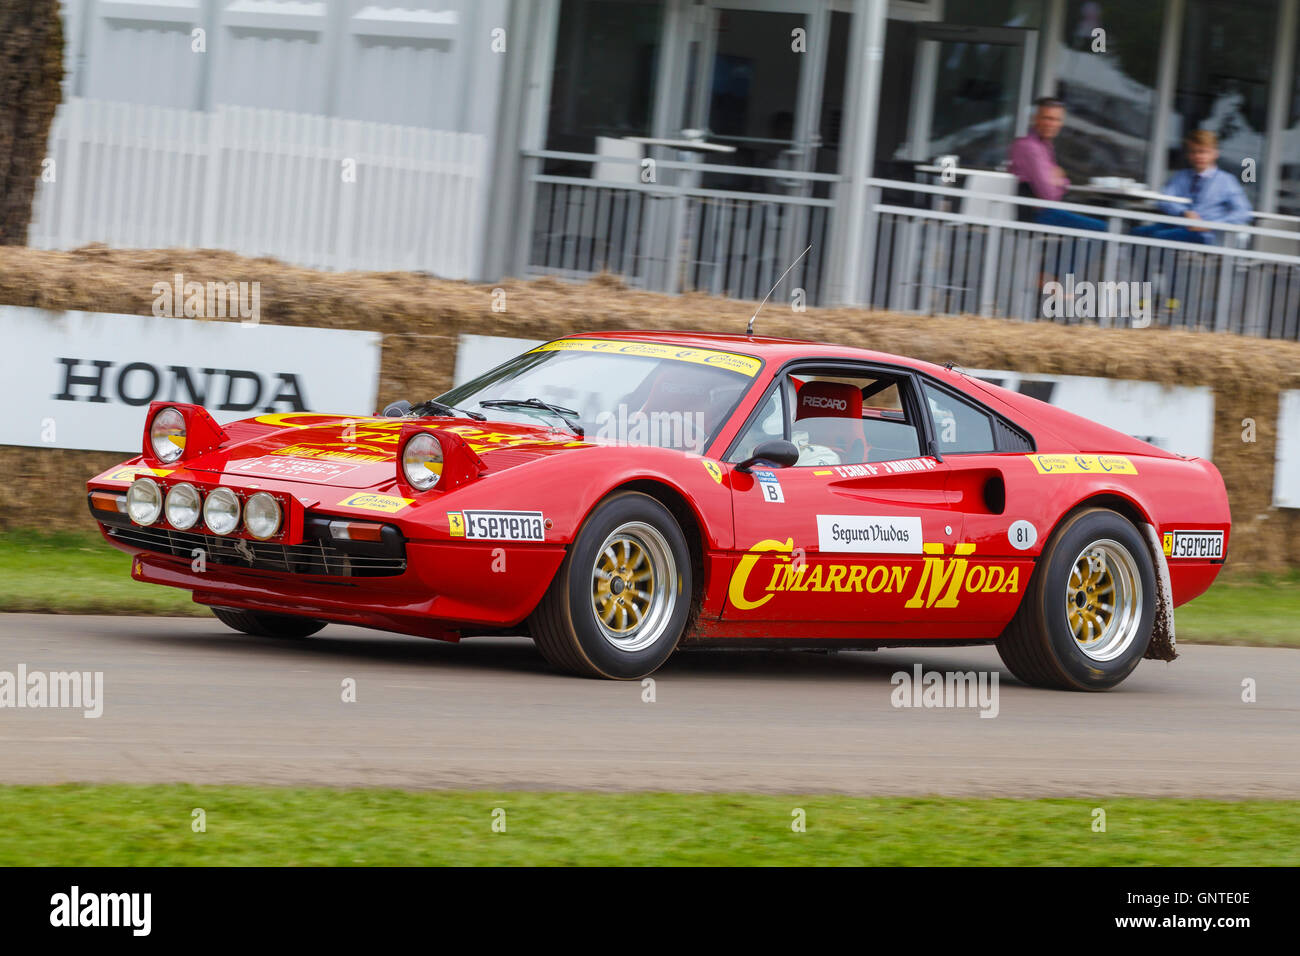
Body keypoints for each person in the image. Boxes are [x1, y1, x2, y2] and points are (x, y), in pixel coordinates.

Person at [1133, 130, 1253, 245]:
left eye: (1203, 151)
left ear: (1215, 153)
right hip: (1178, 225)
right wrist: (1184, 212)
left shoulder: (1226, 181)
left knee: (1161, 237)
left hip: (1205, 234)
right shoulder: (1181, 176)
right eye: (1193, 152)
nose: (1198, 156)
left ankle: (1158, 265)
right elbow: (1164, 199)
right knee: (1137, 233)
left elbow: (1243, 212)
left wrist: (1210, 225)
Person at [1008, 97, 1107, 232]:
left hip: (1047, 211)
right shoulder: (1029, 146)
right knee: (1104, 229)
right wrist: (1059, 181)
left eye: (1056, 119)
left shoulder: (1044, 145)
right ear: (1035, 119)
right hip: (1037, 215)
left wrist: (1058, 180)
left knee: (1102, 222)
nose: (1052, 124)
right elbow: (1050, 195)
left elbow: (1060, 184)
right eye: (1047, 118)